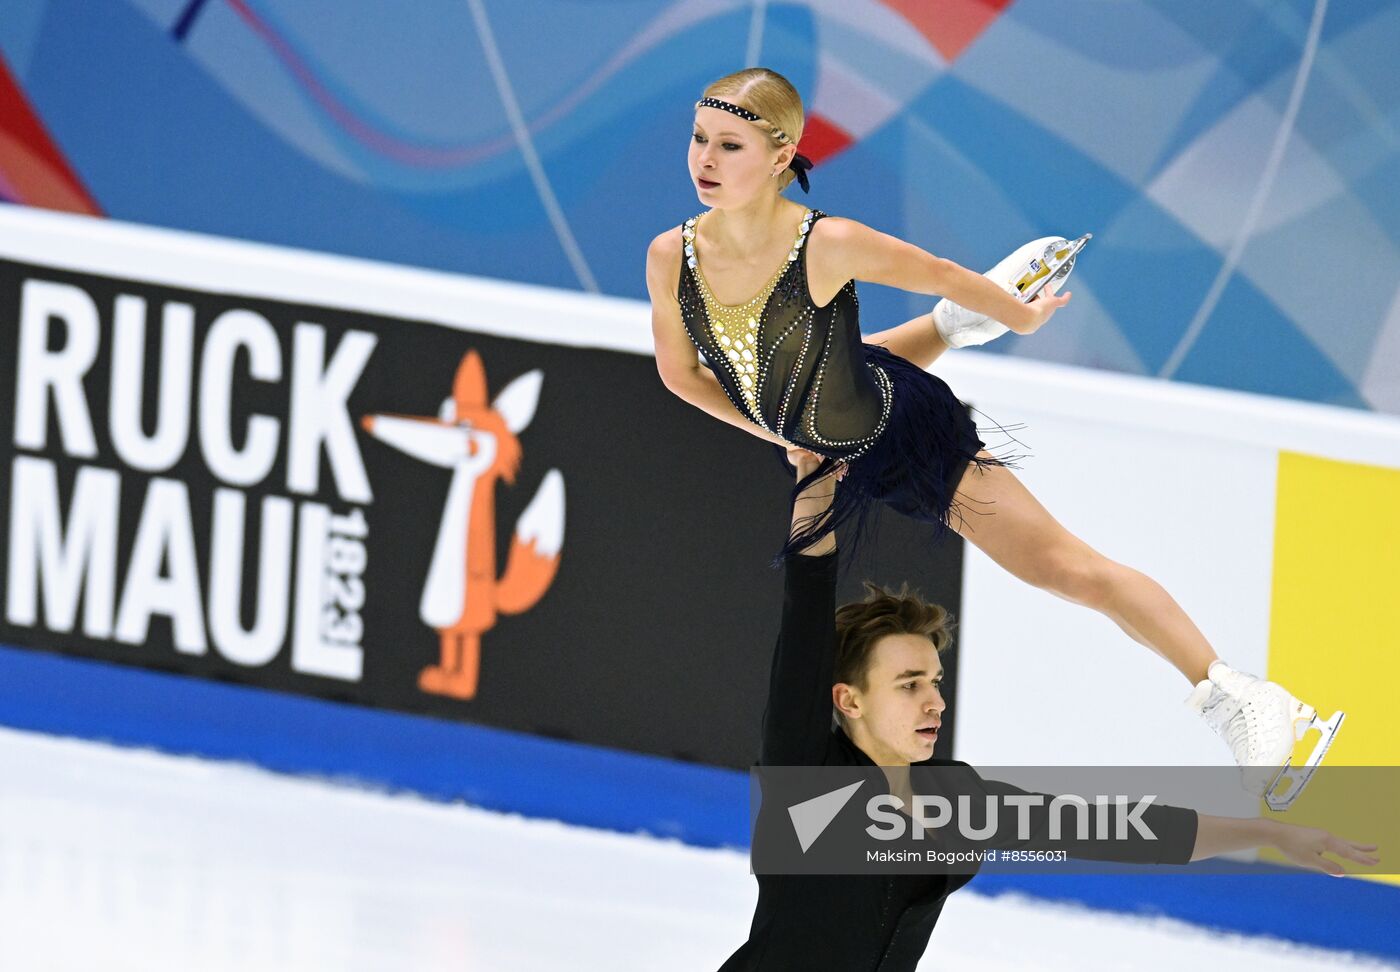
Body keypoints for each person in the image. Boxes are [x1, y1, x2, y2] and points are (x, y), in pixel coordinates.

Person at [643, 66, 1342, 803]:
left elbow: (941, 268)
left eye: (730, 145)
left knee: (1065, 570)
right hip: (845, 404)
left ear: (782, 157)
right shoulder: (672, 256)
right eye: (698, 140)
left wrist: (1020, 316)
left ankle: (1243, 699)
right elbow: (683, 376)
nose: (705, 161)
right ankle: (947, 333)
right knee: (835, 373)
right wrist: (783, 434)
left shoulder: (829, 243)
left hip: (906, 432)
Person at [717, 449, 1378, 970]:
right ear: (847, 700)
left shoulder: (955, 801)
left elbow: (1116, 829)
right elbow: (807, 609)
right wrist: (817, 484)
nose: (934, 699)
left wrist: (1268, 833)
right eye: (909, 683)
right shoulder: (805, 778)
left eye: (935, 679)